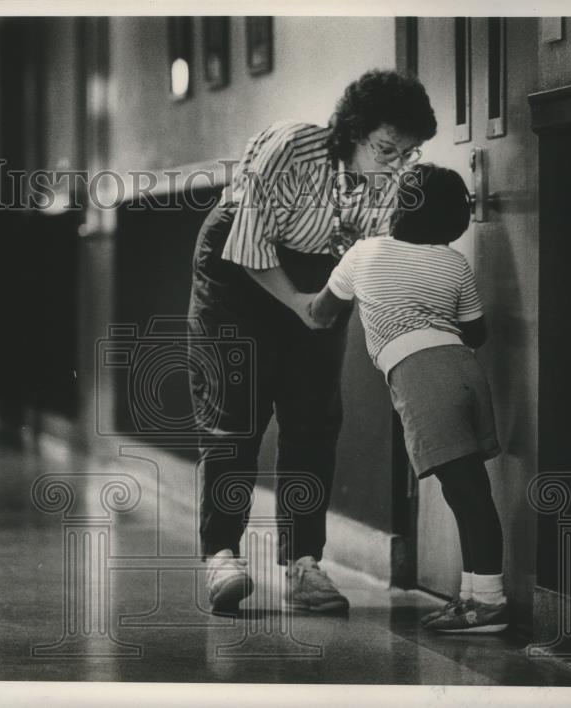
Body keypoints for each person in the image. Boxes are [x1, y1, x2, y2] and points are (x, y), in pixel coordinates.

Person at [187, 69, 438, 615]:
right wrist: (297, 302)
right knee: (235, 414)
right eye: (386, 149)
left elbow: (365, 256)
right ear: (351, 132)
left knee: (313, 419)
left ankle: (304, 564)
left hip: (320, 274)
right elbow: (248, 244)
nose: (397, 164)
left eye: (408, 153)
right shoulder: (292, 146)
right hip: (238, 273)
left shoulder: (392, 175)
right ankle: (222, 556)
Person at [306, 163, 510, 633]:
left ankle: (491, 603)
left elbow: (321, 313)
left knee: (467, 493)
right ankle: (475, 599)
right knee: (469, 491)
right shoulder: (453, 262)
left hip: (421, 373)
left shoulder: (364, 253)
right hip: (462, 367)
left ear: (399, 206)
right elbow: (476, 331)